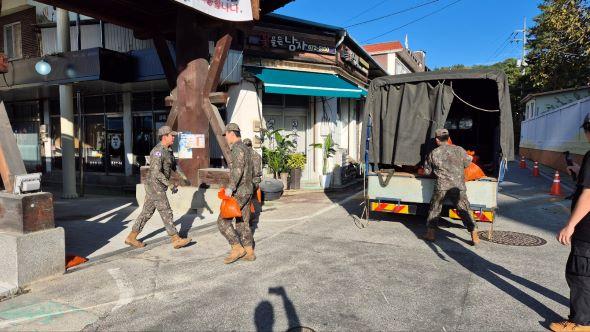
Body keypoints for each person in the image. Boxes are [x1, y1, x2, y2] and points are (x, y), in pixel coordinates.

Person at [551, 114, 590, 332]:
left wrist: (571, 224)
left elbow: (589, 194)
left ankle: (581, 324)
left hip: (587, 230)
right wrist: (579, 171)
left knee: (579, 274)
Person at [125, 125, 191, 250]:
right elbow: (156, 173)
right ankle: (175, 239)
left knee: (147, 212)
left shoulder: (168, 150)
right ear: (164, 136)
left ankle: (131, 237)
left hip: (158, 185)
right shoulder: (157, 151)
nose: (174, 138)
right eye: (172, 136)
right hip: (154, 185)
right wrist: (170, 185)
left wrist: (184, 177)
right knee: (166, 210)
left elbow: (174, 166)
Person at [423, 128, 479, 246]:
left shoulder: (433, 153)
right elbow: (467, 163)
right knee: (464, 209)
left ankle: (431, 234)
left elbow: (427, 172)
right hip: (458, 186)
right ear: (448, 139)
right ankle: (474, 235)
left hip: (441, 186)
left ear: (437, 140)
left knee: (435, 208)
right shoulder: (459, 150)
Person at [217, 123, 255, 264]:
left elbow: (237, 170)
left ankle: (236, 248)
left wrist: (230, 188)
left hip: (240, 191)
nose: (226, 138)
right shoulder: (246, 148)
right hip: (248, 190)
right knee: (242, 222)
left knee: (222, 221)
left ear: (231, 133)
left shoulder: (237, 149)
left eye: (226, 134)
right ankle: (249, 251)